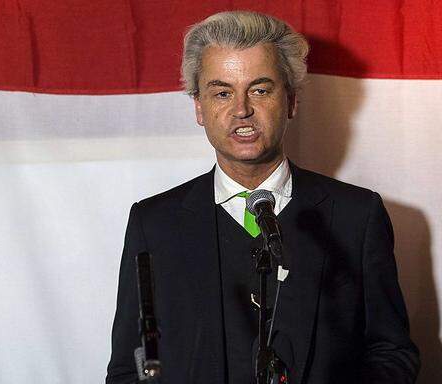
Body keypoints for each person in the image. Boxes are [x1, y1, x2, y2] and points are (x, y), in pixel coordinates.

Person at [106, 10, 419, 384]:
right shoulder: (153, 223)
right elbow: (128, 368)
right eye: (222, 92)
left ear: (290, 101)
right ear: (199, 107)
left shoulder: (357, 216)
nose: (241, 110)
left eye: (260, 89)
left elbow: (392, 353)